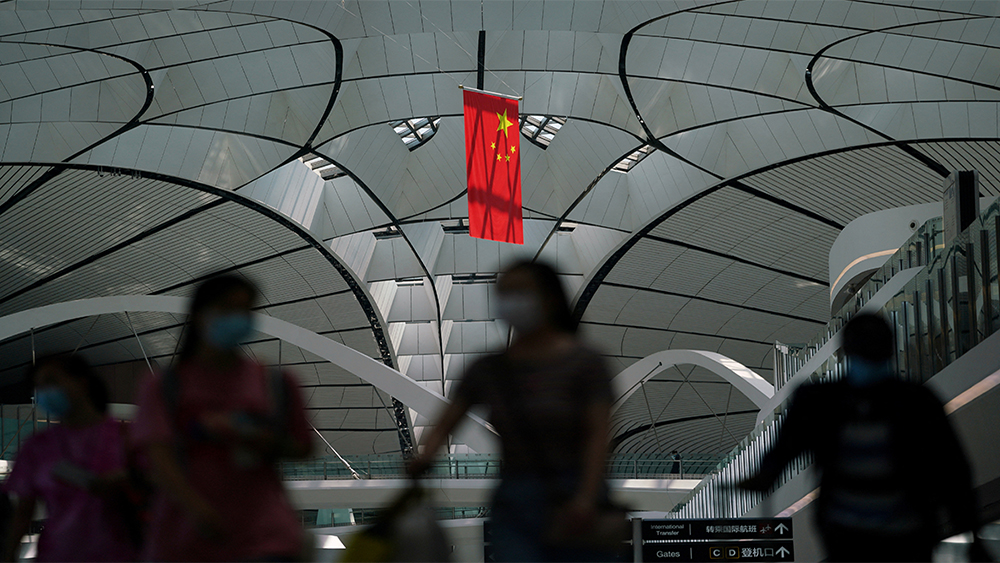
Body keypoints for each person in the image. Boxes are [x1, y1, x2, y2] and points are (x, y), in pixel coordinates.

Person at [408, 260, 619, 562]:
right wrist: (425, 457)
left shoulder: (585, 364)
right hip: (515, 497)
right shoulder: (489, 369)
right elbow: (446, 422)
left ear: (550, 298)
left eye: (521, 292)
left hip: (575, 496)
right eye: (504, 293)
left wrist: (586, 496)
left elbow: (599, 434)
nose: (511, 303)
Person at [739, 312, 977, 562]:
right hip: (905, 534)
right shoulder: (917, 400)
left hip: (849, 532)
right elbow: (954, 472)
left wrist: (766, 476)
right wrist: (973, 534)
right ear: (891, 349)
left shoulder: (819, 400)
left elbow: (785, 450)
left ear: (846, 351)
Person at [131, 274, 314, 561]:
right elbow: (158, 457)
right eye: (227, 308)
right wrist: (199, 510)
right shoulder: (165, 386)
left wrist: (261, 439)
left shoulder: (275, 383)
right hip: (188, 538)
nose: (238, 318)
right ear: (199, 313)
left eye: (246, 309)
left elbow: (303, 447)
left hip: (264, 536)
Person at [3, 354, 139, 562]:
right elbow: (23, 513)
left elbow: (162, 485)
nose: (45, 393)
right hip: (57, 554)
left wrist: (124, 480)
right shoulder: (37, 447)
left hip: (121, 553)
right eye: (38, 388)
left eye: (51, 381)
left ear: (82, 381)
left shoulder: (128, 438)